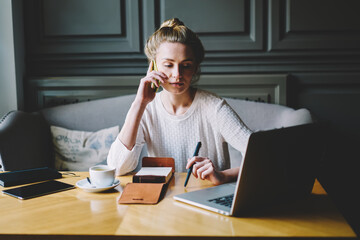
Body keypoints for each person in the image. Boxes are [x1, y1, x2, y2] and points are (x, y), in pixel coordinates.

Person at [107, 18, 252, 185]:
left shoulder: (214, 108)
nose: (177, 74)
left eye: (186, 65)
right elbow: (117, 167)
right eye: (168, 64)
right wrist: (139, 103)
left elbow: (263, 157)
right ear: (153, 66)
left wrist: (223, 176)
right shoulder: (147, 109)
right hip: (162, 201)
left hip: (208, 200)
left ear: (195, 67)